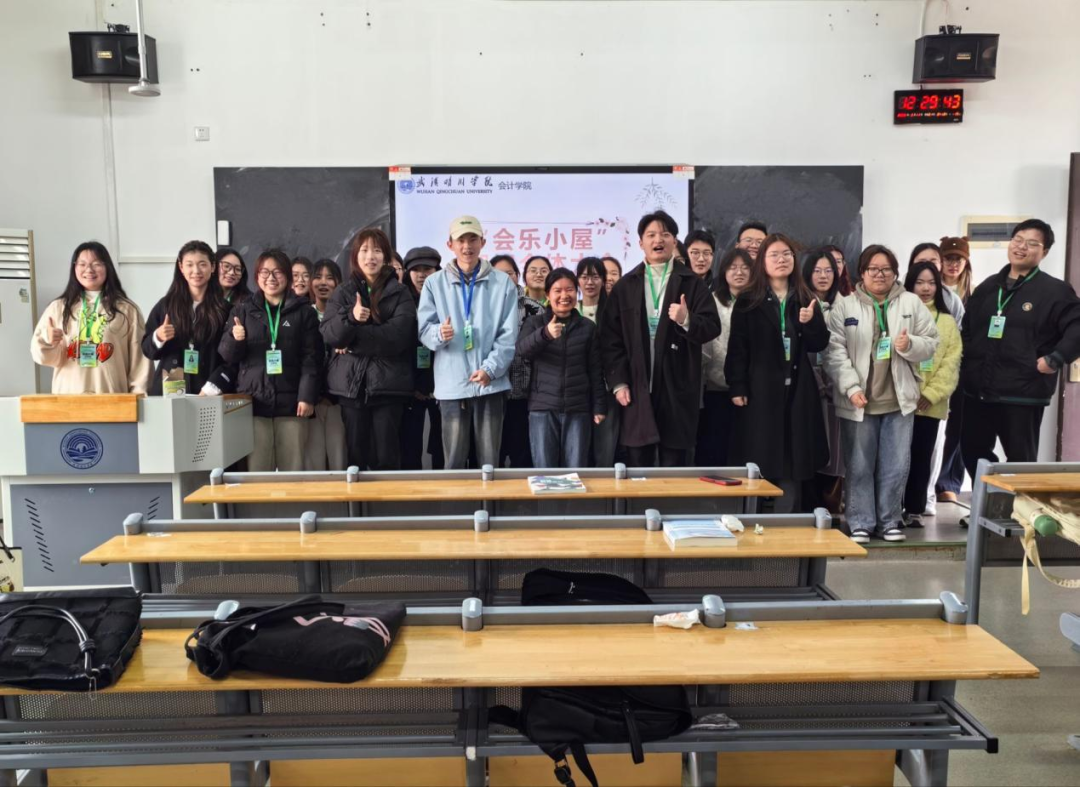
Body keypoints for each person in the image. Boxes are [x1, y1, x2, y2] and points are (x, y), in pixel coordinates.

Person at [822, 245, 939, 543]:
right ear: (862, 273)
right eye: (873, 269)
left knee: (895, 466)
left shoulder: (911, 302)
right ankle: (860, 522)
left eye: (886, 269)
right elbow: (834, 352)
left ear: (895, 273)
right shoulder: (845, 306)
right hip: (858, 401)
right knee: (859, 465)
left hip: (899, 401)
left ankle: (889, 521)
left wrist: (910, 345)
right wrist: (851, 387)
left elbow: (931, 343)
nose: (879, 274)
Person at [600, 210, 721, 467]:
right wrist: (619, 382)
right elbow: (610, 340)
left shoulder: (692, 283)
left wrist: (687, 319)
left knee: (674, 463)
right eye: (651, 235)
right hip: (636, 386)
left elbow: (712, 327)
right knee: (638, 464)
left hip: (678, 385)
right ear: (640, 242)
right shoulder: (625, 286)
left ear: (674, 242)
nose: (659, 240)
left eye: (665, 234)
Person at [959, 219, 1080, 475]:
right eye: (1018, 240)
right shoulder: (988, 287)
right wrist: (970, 361)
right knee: (972, 450)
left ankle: (1020, 503)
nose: (1022, 247)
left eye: (1032, 243)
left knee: (1020, 461)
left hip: (1022, 391)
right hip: (978, 391)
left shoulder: (1055, 291)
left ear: (1045, 252)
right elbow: (968, 328)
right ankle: (990, 500)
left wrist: (1056, 358)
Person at [725, 235, 829, 512]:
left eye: (786, 254)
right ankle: (757, 517)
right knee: (761, 455)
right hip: (760, 390)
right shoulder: (749, 300)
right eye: (774, 255)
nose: (781, 260)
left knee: (793, 459)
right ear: (762, 262)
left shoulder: (805, 298)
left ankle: (788, 517)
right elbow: (738, 347)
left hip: (798, 390)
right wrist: (737, 386)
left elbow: (819, 344)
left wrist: (810, 323)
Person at [417, 215, 519, 469]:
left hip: (490, 385)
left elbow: (508, 335)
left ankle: (489, 498)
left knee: (489, 462)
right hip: (452, 386)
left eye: (472, 239)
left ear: (482, 242)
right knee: (453, 462)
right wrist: (439, 334)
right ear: (449, 244)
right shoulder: (434, 283)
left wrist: (490, 369)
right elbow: (424, 330)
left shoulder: (502, 283)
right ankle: (457, 499)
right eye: (460, 240)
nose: (467, 246)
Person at [320, 229, 415, 470]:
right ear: (355, 256)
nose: (370, 256)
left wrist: (352, 342)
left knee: (387, 457)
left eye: (377, 250)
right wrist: (351, 318)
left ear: (385, 257)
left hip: (389, 386)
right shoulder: (343, 291)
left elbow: (398, 337)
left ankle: (389, 498)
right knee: (356, 457)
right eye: (364, 250)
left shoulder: (400, 292)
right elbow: (330, 335)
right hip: (351, 387)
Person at [218, 249, 321, 472]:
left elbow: (311, 358)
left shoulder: (304, 312)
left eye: (277, 272)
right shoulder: (242, 310)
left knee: (293, 470)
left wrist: (306, 396)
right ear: (257, 277)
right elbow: (227, 356)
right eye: (264, 272)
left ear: (287, 276)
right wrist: (235, 340)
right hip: (254, 403)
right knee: (257, 472)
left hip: (292, 404)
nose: (271, 278)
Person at [31, 241, 152, 394]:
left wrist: (138, 399)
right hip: (68, 399)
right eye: (82, 264)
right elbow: (42, 357)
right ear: (74, 268)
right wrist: (48, 341)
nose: (89, 269)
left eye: (96, 264)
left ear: (107, 267)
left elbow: (140, 363)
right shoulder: (58, 308)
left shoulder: (127, 309)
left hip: (112, 398)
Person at [517, 269, 606, 467]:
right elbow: (522, 351)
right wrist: (545, 334)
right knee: (544, 470)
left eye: (570, 290)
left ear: (577, 292)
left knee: (576, 469)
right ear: (548, 295)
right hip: (542, 408)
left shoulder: (587, 327)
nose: (564, 295)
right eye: (557, 290)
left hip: (578, 409)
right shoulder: (535, 323)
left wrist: (599, 406)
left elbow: (595, 370)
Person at [902, 262, 961, 524]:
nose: (926, 288)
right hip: (899, 401)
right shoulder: (899, 315)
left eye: (931, 283)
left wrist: (931, 394)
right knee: (895, 460)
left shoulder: (947, 321)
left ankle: (914, 509)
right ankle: (891, 509)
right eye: (919, 282)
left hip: (930, 404)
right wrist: (908, 392)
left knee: (921, 457)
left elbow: (952, 362)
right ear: (910, 285)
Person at [141, 240, 231, 396]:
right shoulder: (166, 305)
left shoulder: (225, 309)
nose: (196, 271)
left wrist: (212, 387)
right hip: (168, 391)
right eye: (189, 265)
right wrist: (158, 337)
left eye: (202, 264)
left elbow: (230, 358)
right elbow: (147, 350)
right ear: (181, 267)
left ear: (213, 267)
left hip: (207, 393)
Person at [697, 248, 751, 467]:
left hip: (750, 387)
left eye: (745, 267)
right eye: (733, 267)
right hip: (715, 385)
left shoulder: (760, 302)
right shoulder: (712, 301)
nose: (739, 272)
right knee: (715, 445)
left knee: (743, 448)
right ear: (724, 271)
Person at [801, 248, 845, 510]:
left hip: (838, 386)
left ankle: (831, 505)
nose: (823, 276)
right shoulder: (798, 302)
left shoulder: (847, 305)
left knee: (836, 449)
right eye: (817, 270)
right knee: (809, 445)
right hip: (807, 386)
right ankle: (809, 505)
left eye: (829, 270)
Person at [491, 254, 542, 468]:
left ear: (517, 275)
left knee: (522, 456)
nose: (505, 277)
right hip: (492, 392)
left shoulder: (535, 308)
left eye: (510, 273)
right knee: (492, 455)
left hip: (525, 393)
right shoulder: (483, 307)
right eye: (499, 273)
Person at [400, 246, 444, 470]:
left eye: (427, 269)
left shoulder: (446, 298)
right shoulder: (400, 300)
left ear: (437, 270)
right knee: (410, 444)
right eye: (415, 270)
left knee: (442, 443)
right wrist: (415, 384)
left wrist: (430, 384)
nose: (421, 274)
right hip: (409, 384)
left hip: (441, 383)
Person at [304, 259, 348, 471]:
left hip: (338, 400)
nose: (323, 282)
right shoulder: (304, 315)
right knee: (313, 463)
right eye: (318, 277)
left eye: (330, 278)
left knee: (339, 459)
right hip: (311, 400)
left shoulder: (346, 316)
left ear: (338, 283)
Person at [576, 256, 618, 465]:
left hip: (606, 389)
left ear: (603, 280)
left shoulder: (614, 311)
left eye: (595, 277)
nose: (589, 282)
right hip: (578, 390)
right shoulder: (570, 310)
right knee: (578, 451)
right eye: (584, 277)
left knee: (604, 451)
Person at [939, 236, 973, 304]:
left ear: (966, 262)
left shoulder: (973, 290)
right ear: (940, 261)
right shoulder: (932, 288)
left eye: (958, 260)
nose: (954, 265)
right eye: (948, 259)